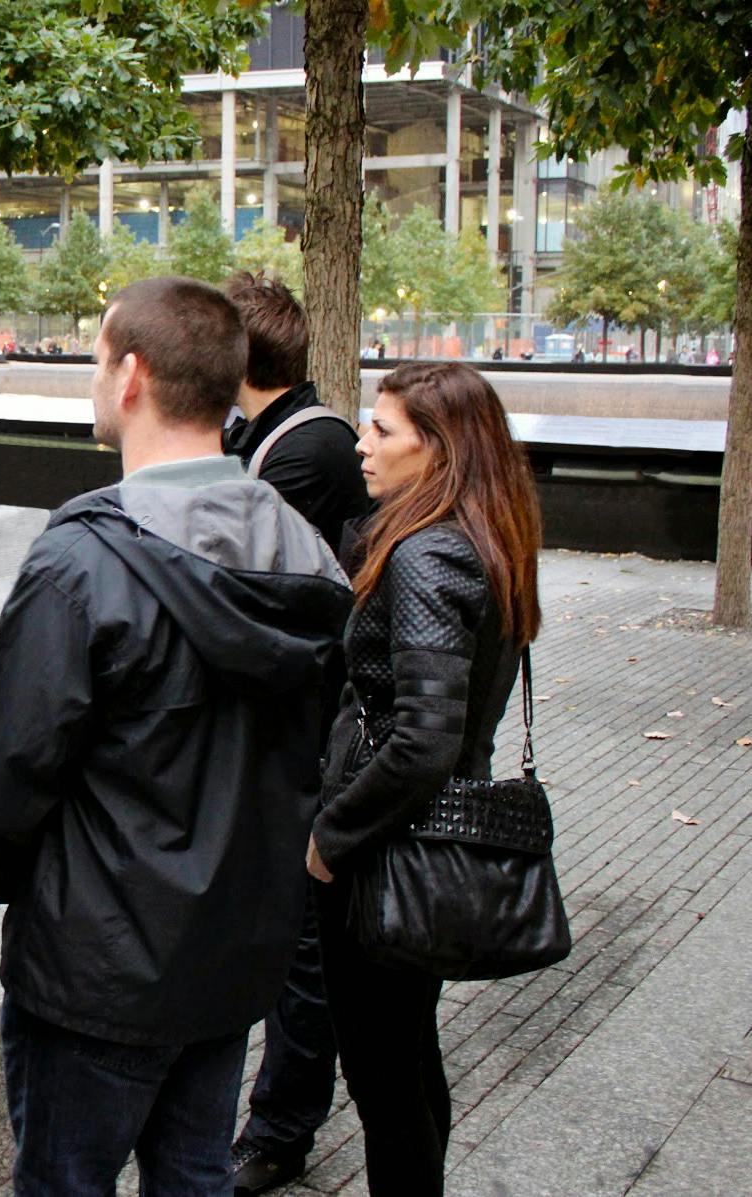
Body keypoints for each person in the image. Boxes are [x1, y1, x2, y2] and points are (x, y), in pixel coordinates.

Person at [0, 278, 351, 1197]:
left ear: (129, 375)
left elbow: (8, 774)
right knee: (193, 1175)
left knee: (64, 1179)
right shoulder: (303, 550)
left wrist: (34, 890)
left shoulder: (83, 559)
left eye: (97, 360)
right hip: (231, 952)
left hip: (98, 964)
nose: (94, 380)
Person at [307, 362, 542, 1197]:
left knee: (384, 1079)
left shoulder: (428, 553)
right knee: (407, 1058)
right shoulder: (479, 537)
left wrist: (329, 841)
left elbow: (422, 739)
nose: (360, 443)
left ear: (436, 448)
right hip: (424, 841)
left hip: (387, 852)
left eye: (381, 429)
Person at [217, 274, 373, 1195]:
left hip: (308, 741)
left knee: (301, 947)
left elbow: (237, 581)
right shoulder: (273, 437)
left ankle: (280, 1128)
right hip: (299, 729)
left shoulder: (306, 449)